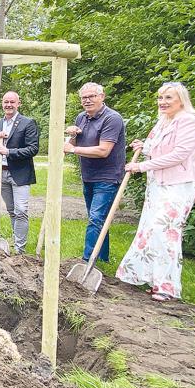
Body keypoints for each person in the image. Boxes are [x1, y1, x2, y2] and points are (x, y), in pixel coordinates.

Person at [117, 82, 195, 301]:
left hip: (177, 186)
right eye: (160, 98)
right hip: (156, 186)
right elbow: (156, 148)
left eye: (168, 98)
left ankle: (167, 287)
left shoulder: (189, 122)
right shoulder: (163, 122)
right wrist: (143, 146)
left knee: (165, 233)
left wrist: (141, 166)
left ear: (181, 100)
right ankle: (153, 280)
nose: (162, 102)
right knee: (150, 231)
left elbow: (179, 154)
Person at [64, 82, 127, 263]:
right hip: (89, 176)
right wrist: (73, 136)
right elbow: (73, 145)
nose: (87, 100)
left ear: (102, 96)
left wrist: (72, 150)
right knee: (99, 221)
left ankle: (86, 262)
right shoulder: (81, 118)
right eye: (84, 97)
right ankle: (101, 259)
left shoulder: (112, 118)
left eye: (92, 96)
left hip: (108, 177)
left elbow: (103, 151)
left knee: (95, 219)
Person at [0, 91, 39, 253]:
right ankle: (16, 241)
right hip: (1, 174)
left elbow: (33, 149)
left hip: (20, 174)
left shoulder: (27, 123)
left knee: (21, 211)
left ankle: (20, 250)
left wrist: (8, 152)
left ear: (18, 104)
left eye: (12, 102)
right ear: (2, 104)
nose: (8, 105)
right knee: (11, 210)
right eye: (6, 102)